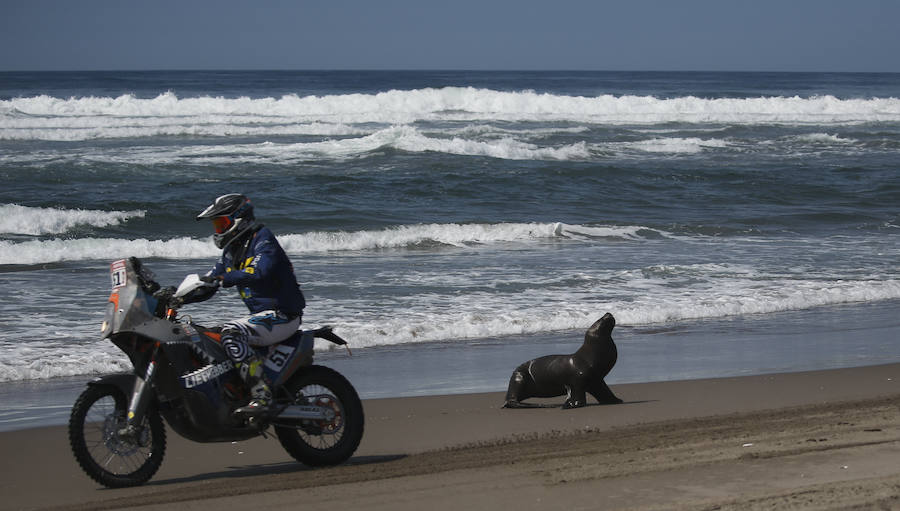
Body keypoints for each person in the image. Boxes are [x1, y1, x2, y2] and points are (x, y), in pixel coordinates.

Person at [196, 193, 305, 417]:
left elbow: (257, 271)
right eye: (216, 224)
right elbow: (208, 282)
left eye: (221, 223)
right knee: (206, 335)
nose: (218, 229)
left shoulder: (262, 238)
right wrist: (175, 296)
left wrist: (225, 278)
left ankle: (261, 393)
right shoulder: (230, 252)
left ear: (239, 219)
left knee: (231, 333)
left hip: (283, 315)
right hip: (264, 318)